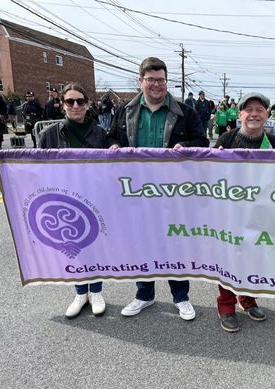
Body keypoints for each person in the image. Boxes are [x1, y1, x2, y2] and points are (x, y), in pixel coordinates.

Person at [108, 56, 209, 320]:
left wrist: (185, 146)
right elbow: (112, 140)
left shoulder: (184, 111)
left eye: (161, 80)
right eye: (151, 80)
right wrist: (114, 148)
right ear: (141, 81)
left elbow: (201, 140)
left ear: (166, 81)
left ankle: (181, 297)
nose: (156, 85)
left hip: (173, 192)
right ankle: (144, 294)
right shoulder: (126, 111)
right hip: (136, 191)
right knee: (141, 243)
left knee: (175, 242)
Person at [38, 83, 108, 318]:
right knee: (73, 247)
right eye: (70, 101)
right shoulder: (48, 134)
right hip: (64, 201)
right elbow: (38, 170)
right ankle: (80, 292)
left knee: (94, 246)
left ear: (87, 104)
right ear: (62, 105)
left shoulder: (100, 133)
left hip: (93, 198)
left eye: (80, 101)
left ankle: (96, 291)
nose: (75, 105)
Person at [213, 92, 275, 332]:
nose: (254, 114)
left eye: (259, 110)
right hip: (229, 212)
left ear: (267, 115)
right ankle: (226, 305)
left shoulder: (272, 143)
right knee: (229, 259)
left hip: (258, 212)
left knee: (253, 258)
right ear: (240, 114)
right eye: (249, 110)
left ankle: (248, 299)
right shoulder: (227, 138)